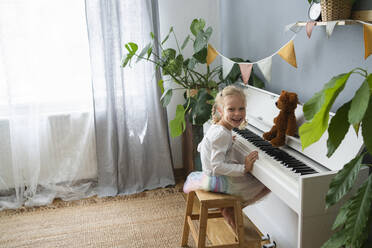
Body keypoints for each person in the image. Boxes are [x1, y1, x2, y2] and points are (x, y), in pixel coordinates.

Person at [183, 85, 269, 230]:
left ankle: (229, 208)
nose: (237, 113)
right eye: (231, 109)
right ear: (221, 110)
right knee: (265, 185)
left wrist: (228, 142)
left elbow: (200, 146)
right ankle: (232, 208)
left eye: (241, 108)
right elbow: (217, 165)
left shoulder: (217, 127)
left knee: (253, 181)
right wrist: (244, 168)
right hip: (217, 180)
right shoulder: (222, 134)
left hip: (210, 175)